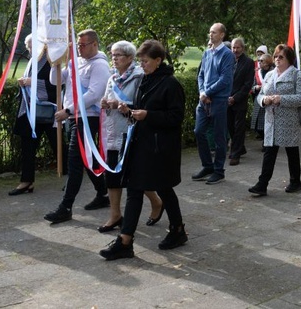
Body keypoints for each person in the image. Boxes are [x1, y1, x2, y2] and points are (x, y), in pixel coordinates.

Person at [99, 40, 187, 260]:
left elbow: (176, 117)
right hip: (141, 144)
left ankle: (177, 229)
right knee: (136, 189)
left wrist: (148, 115)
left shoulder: (170, 84)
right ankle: (125, 240)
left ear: (158, 61)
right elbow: (140, 111)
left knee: (165, 188)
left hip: (160, 148)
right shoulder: (145, 80)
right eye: (140, 60)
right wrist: (128, 110)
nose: (142, 65)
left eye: (145, 61)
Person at [44, 30, 110, 224]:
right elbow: (55, 81)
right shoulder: (75, 62)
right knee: (87, 159)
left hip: (87, 118)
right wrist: (56, 61)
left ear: (95, 44)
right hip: (74, 117)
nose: (79, 48)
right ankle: (103, 193)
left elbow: (94, 94)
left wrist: (69, 110)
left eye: (83, 45)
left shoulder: (100, 65)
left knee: (74, 161)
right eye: (78, 45)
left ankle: (65, 207)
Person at [98, 41, 164, 233]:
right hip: (112, 133)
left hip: (131, 134)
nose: (114, 58)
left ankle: (156, 201)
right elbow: (108, 100)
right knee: (111, 175)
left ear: (129, 58)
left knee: (134, 176)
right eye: (112, 54)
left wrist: (118, 104)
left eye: (118, 55)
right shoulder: (112, 77)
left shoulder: (139, 77)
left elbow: (140, 104)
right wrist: (105, 103)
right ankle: (115, 215)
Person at [248, 44, 301, 196]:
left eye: (280, 57)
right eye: (275, 56)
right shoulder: (269, 75)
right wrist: (264, 100)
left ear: (289, 59)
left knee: (292, 152)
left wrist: (281, 99)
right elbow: (260, 95)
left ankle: (295, 181)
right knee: (269, 152)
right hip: (271, 120)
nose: (277, 59)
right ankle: (262, 184)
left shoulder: (297, 75)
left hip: (290, 121)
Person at [9, 35, 59, 196]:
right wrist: (24, 82)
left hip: (49, 111)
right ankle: (26, 181)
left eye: (33, 46)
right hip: (30, 111)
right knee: (27, 148)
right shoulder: (32, 62)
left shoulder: (52, 61)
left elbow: (57, 85)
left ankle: (73, 179)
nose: (30, 50)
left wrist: (33, 82)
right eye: (28, 47)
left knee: (59, 147)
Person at [192, 23, 234, 185]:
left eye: (214, 32)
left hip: (219, 100)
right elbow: (201, 75)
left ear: (222, 35)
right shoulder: (207, 53)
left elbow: (225, 79)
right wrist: (203, 92)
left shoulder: (227, 55)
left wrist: (207, 93)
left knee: (218, 136)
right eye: (210, 32)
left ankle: (219, 171)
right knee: (199, 131)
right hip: (204, 100)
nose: (211, 35)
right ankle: (207, 166)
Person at [227, 38, 255, 166]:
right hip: (226, 100)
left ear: (242, 48)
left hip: (240, 100)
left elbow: (247, 84)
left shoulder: (248, 62)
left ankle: (235, 153)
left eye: (238, 47)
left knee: (239, 128)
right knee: (230, 127)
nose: (235, 50)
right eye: (233, 47)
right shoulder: (228, 61)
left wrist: (235, 97)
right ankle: (240, 148)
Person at [250, 53, 273, 139]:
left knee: (266, 124)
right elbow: (251, 87)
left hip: (270, 100)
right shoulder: (256, 73)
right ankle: (263, 138)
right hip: (258, 100)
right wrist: (255, 88)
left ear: (267, 62)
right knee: (258, 125)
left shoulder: (274, 72)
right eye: (259, 60)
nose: (259, 62)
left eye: (262, 61)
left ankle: (266, 143)